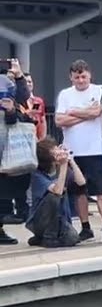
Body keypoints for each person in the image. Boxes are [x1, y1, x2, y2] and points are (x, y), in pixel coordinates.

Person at [54, 60, 102, 243]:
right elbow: (58, 120)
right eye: (76, 77)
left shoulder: (100, 90)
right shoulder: (65, 94)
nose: (80, 80)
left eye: (83, 77)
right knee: (78, 191)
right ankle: (85, 227)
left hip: (94, 149)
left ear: (90, 75)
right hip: (72, 151)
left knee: (101, 190)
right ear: (71, 78)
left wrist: (72, 112)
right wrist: (85, 115)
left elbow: (97, 112)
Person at [26, 138, 84, 248]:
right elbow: (57, 191)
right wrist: (63, 166)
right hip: (40, 221)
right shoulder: (37, 175)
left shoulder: (61, 168)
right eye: (55, 151)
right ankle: (48, 237)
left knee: (73, 238)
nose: (59, 152)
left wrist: (70, 160)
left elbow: (81, 182)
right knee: (53, 197)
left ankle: (40, 239)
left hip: (61, 220)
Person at [0, 58, 35, 234]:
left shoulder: (9, 87)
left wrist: (19, 75)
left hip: (9, 144)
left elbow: (23, 98)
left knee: (13, 183)